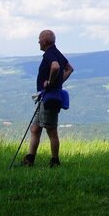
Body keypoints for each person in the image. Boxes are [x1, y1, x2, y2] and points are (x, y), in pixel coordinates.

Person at [22, 29, 74, 167]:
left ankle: (55, 161)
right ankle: (29, 159)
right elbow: (69, 68)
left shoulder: (50, 55)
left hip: (49, 99)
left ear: (45, 40)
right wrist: (59, 82)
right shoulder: (57, 53)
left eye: (39, 39)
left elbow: (56, 67)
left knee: (51, 131)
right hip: (45, 97)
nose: (38, 41)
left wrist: (51, 82)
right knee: (35, 128)